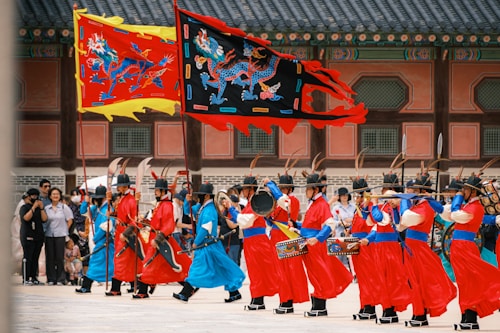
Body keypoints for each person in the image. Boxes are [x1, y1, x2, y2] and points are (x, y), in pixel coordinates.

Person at [398, 174, 457, 327]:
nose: (411, 191)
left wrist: (404, 200)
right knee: (414, 281)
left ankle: (419, 315)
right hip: (411, 247)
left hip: (417, 248)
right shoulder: (418, 205)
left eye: (414, 189)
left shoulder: (424, 207)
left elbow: (406, 218)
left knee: (417, 281)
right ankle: (419, 313)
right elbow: (400, 225)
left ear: (422, 191)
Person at [173, 182, 245, 303]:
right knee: (222, 267)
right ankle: (234, 292)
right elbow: (188, 211)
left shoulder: (210, 210)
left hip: (207, 244)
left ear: (206, 196)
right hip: (209, 245)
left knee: (197, 268)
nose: (198, 197)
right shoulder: (203, 207)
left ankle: (185, 293)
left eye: (200, 195)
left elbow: (205, 228)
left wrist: (196, 243)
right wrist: (187, 201)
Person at [447, 174, 500, 330]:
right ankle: (467, 317)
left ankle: (470, 317)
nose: (463, 191)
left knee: (469, 282)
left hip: (465, 247)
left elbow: (455, 215)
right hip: (459, 246)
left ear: (473, 192)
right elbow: (448, 213)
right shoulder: (469, 205)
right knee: (464, 283)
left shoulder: (475, 208)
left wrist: (457, 198)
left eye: (465, 189)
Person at [298, 172, 353, 317]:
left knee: (320, 274)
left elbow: (330, 224)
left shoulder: (321, 204)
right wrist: (296, 226)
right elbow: (309, 224)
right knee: (314, 274)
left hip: (315, 244)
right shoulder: (314, 204)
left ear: (315, 190)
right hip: (308, 243)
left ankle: (320, 306)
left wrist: (318, 238)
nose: (306, 192)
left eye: (308, 189)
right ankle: (317, 305)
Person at [226, 173, 281, 310]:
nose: (243, 192)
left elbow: (245, 221)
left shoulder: (255, 203)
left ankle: (258, 299)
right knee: (255, 271)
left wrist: (231, 209)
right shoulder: (251, 204)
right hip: (252, 241)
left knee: (258, 271)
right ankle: (257, 299)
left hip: (257, 241)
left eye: (245, 189)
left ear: (250, 189)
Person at [134, 178, 192, 299]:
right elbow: (155, 223)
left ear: (162, 191)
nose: (155, 192)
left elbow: (168, 225)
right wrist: (144, 221)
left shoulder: (167, 205)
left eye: (156, 190)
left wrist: (158, 239)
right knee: (166, 266)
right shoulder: (161, 204)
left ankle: (143, 291)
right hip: (155, 238)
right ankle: (188, 286)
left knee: (149, 264)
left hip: (160, 240)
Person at [267, 172, 309, 314]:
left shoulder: (291, 200)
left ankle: (287, 301)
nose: (282, 190)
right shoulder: (279, 203)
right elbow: (272, 219)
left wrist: (270, 184)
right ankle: (284, 299)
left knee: (288, 270)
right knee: (280, 270)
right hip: (276, 236)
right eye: (281, 187)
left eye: (284, 188)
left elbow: (282, 200)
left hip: (286, 237)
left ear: (290, 189)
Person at [368, 189, 412, 324]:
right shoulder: (385, 207)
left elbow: (380, 219)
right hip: (380, 247)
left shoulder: (392, 209)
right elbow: (371, 223)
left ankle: (390, 310)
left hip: (389, 248)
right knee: (382, 279)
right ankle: (386, 309)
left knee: (391, 279)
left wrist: (374, 204)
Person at [75, 186, 117, 294]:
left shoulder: (108, 210)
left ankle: (86, 286)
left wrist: (95, 238)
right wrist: (86, 201)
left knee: (96, 263)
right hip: (100, 241)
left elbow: (105, 227)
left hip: (104, 241)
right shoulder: (97, 208)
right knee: (105, 264)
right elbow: (83, 211)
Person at [106, 173, 141, 296]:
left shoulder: (131, 201)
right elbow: (121, 216)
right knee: (123, 260)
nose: (118, 188)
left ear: (124, 187)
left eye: (119, 186)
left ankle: (116, 288)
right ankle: (128, 285)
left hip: (126, 234)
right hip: (120, 233)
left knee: (121, 260)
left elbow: (133, 221)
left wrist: (125, 233)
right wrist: (111, 211)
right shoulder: (123, 199)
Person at [349, 177, 379, 320]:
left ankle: (370, 307)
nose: (356, 197)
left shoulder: (370, 207)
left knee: (368, 277)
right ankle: (364, 304)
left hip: (366, 246)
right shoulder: (359, 208)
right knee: (361, 278)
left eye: (358, 194)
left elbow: (374, 224)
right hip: (356, 245)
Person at [44, 187, 74, 285]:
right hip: (49, 234)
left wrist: (65, 229)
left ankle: (61, 279)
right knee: (50, 257)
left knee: (60, 257)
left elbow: (70, 220)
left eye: (57, 194)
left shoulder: (64, 207)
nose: (55, 196)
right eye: (53, 194)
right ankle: (51, 278)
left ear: (60, 196)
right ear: (50, 196)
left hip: (61, 235)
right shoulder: (46, 208)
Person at [19, 188, 47, 285]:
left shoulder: (39, 208)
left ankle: (34, 277)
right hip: (28, 235)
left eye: (36, 195)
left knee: (36, 257)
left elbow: (45, 219)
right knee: (28, 256)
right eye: (33, 195)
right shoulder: (24, 207)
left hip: (38, 236)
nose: (35, 197)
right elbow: (26, 218)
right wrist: (33, 207)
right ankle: (26, 278)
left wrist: (41, 208)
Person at [331, 187, 356, 271]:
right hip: (340, 233)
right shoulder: (336, 208)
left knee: (352, 255)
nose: (344, 197)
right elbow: (333, 221)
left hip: (351, 233)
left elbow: (357, 217)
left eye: (346, 195)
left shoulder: (353, 207)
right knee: (339, 254)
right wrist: (340, 222)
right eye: (342, 195)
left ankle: (353, 273)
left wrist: (351, 221)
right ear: (339, 197)